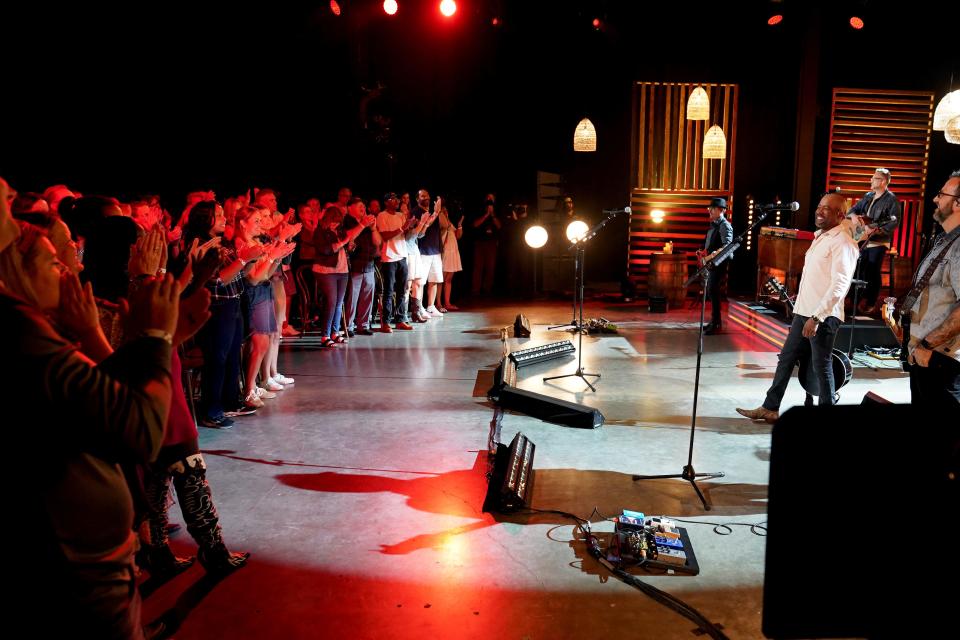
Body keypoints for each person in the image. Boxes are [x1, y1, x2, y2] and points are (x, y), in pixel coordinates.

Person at [736, 192, 859, 422]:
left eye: (826, 208)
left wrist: (817, 317)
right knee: (786, 359)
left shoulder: (843, 242)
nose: (819, 211)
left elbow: (839, 285)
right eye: (819, 206)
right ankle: (770, 408)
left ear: (840, 214)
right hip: (803, 312)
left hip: (822, 316)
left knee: (821, 366)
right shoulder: (821, 237)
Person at [903, 170, 960, 409]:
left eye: (941, 194)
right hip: (923, 355)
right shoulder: (945, 240)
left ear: (957, 204)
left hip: (941, 359)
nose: (935, 199)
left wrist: (927, 346)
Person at [847, 168, 901, 314]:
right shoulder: (868, 196)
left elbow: (894, 223)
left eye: (874, 178)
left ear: (883, 181)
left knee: (871, 269)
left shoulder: (891, 200)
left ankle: (870, 301)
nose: (871, 180)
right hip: (863, 239)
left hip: (878, 240)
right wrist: (853, 216)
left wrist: (878, 230)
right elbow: (852, 210)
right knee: (857, 267)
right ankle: (854, 300)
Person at [699, 197, 734, 334]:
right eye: (710, 208)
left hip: (719, 263)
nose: (710, 211)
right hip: (712, 263)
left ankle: (716, 324)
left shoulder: (725, 225)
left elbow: (727, 246)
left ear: (721, 210)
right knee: (711, 292)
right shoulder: (714, 224)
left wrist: (710, 257)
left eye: (713, 208)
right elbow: (711, 243)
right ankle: (714, 322)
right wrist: (702, 250)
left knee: (713, 291)